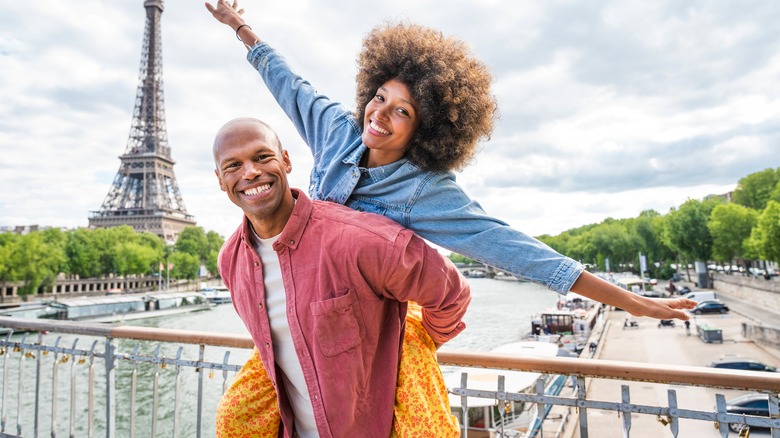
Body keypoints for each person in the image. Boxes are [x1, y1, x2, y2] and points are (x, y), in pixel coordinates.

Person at [205, 0, 697, 434]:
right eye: (380, 97)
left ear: (426, 130)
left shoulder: (427, 191)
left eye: (403, 112)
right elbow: (288, 84)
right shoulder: (337, 131)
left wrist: (631, 302)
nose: (380, 114)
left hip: (378, 321)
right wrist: (240, 29)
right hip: (318, 308)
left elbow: (519, 252)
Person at [213, 117, 471, 437]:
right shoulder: (231, 261)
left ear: (287, 161)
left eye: (262, 157)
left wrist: (414, 341)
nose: (250, 172)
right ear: (220, 180)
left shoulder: (357, 239)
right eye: (233, 165)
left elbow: (451, 294)